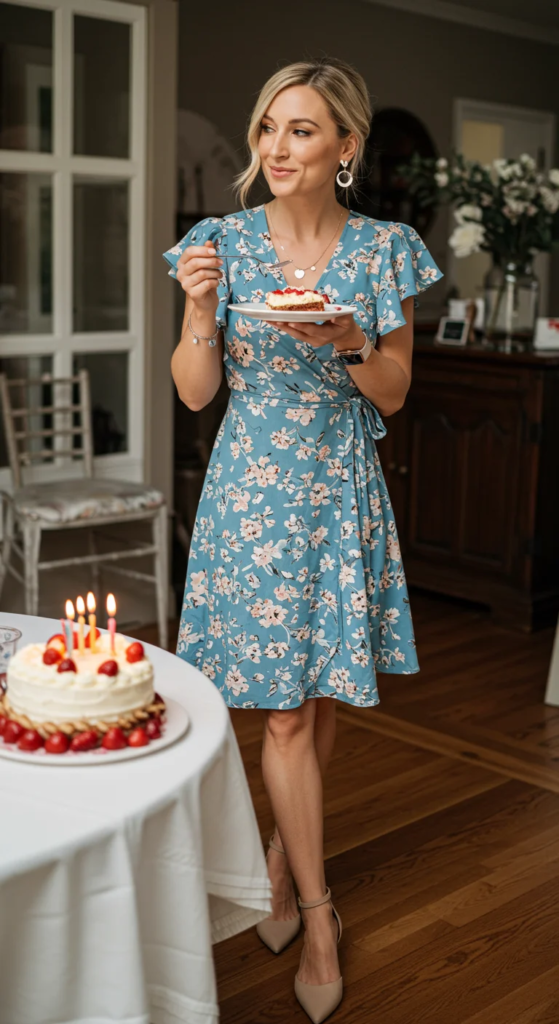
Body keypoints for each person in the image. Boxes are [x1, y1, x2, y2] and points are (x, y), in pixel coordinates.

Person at [163, 56, 442, 1024]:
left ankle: (284, 856)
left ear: (345, 147)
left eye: (301, 130)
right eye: (267, 129)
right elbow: (196, 393)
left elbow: (395, 392)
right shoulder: (218, 241)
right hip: (252, 491)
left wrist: (350, 342)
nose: (276, 148)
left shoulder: (384, 249)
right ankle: (314, 912)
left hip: (340, 485)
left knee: (319, 693)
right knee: (280, 713)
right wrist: (199, 308)